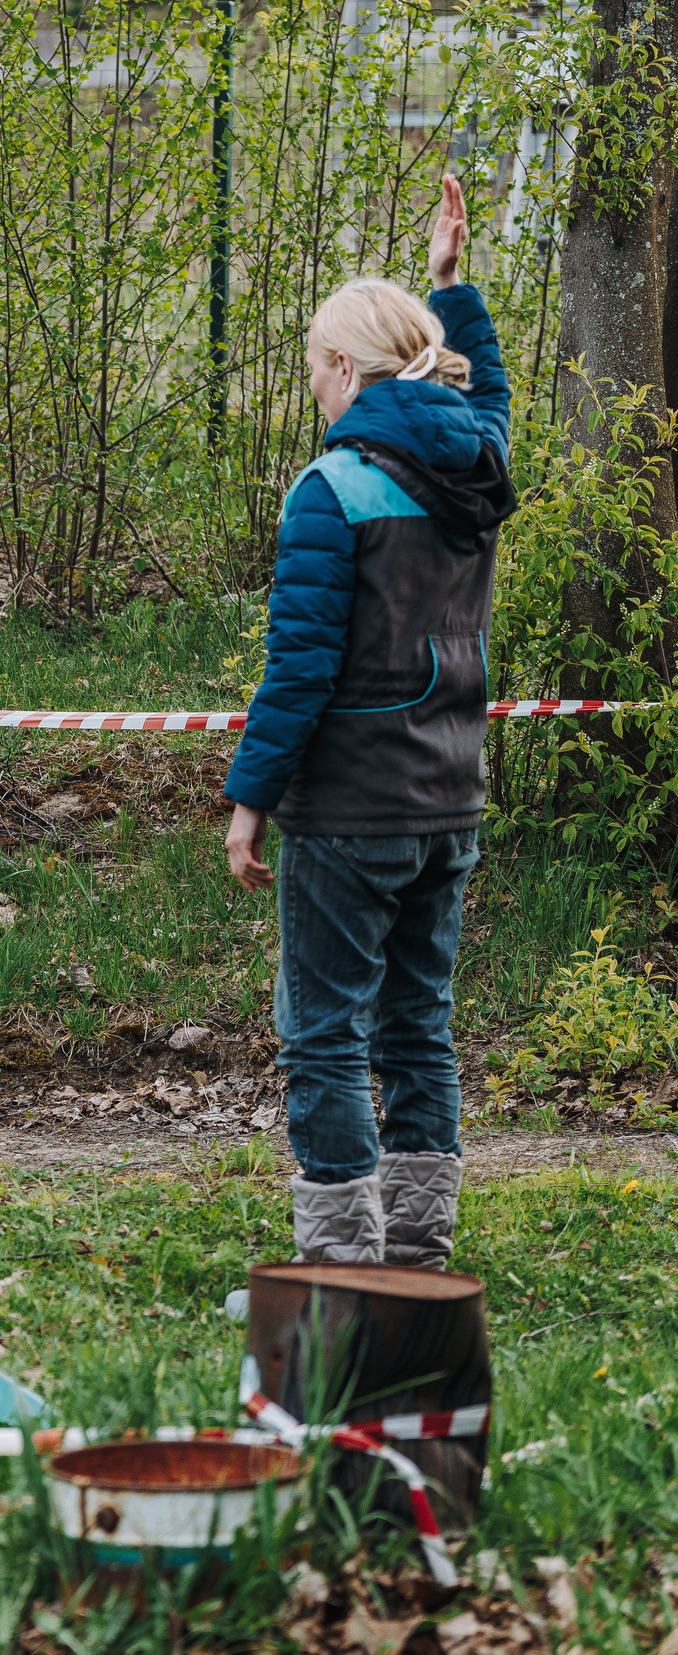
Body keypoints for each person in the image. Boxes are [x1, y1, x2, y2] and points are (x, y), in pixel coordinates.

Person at [222, 174, 515, 1270]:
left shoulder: (332, 488)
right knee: (415, 1024)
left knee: (326, 1034)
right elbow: (486, 400)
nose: (312, 388)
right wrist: (454, 287)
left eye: (314, 368)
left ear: (345, 370)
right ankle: (420, 1254)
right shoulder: (473, 467)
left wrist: (248, 800)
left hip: (349, 805)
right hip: (448, 796)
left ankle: (344, 1259)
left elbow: (297, 669)